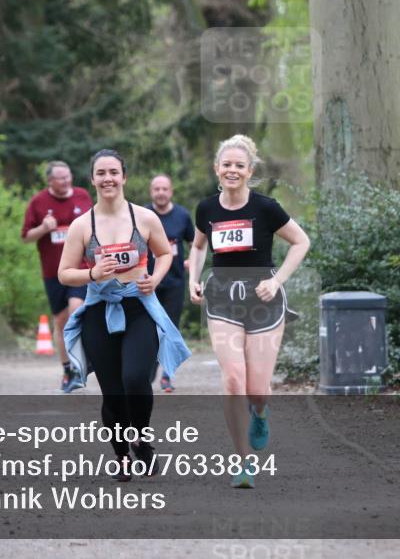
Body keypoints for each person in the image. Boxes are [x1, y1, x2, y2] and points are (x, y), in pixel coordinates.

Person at [59, 150, 191, 481]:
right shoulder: (81, 225)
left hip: (138, 308)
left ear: (124, 177)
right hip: (99, 312)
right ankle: (120, 456)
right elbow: (64, 273)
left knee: (136, 378)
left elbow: (163, 254)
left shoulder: (144, 218)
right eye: (101, 173)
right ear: (92, 179)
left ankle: (142, 440)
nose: (108, 178)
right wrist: (92, 274)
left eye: (114, 172)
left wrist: (155, 279)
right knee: (113, 391)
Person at [188, 135, 310, 488]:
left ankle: (260, 410)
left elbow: (301, 242)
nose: (232, 170)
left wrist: (278, 282)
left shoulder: (266, 208)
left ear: (250, 171)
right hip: (223, 299)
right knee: (232, 381)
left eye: (239, 165)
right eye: (226, 164)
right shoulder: (206, 209)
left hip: (263, 300)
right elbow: (197, 247)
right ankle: (242, 462)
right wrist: (193, 279)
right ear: (216, 169)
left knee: (257, 389)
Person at [22, 161, 93, 392]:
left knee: (76, 309)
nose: (66, 181)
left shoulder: (82, 196)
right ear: (50, 181)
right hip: (53, 273)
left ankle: (86, 358)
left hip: (80, 268)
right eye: (60, 178)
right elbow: (26, 236)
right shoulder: (38, 202)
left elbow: (96, 226)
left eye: (68, 176)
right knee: (61, 322)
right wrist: (43, 228)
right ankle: (68, 370)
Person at [146, 174, 195, 392]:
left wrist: (190, 260)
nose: (161, 193)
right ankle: (148, 374)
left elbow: (196, 243)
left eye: (164, 189)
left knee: (169, 328)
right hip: (148, 282)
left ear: (171, 191)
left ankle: (167, 375)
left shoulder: (182, 216)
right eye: (157, 189)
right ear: (151, 192)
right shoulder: (144, 215)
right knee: (148, 330)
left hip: (175, 281)